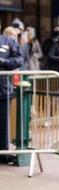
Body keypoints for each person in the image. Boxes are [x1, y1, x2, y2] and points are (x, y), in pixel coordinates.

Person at [0, 21, 23, 164]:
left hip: (2, 89)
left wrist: (3, 61)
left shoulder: (7, 41)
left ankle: (3, 153)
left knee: (3, 124)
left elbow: (19, 59)